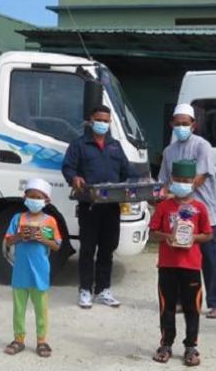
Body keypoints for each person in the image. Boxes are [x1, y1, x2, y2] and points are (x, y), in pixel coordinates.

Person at [62, 104, 137, 309]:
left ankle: (103, 289)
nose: (103, 124)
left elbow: (127, 172)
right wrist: (74, 177)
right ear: (90, 121)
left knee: (108, 248)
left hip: (112, 206)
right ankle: (85, 289)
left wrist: (136, 184)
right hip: (90, 205)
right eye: (99, 120)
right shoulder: (79, 145)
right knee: (87, 248)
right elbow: (68, 167)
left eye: (106, 120)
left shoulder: (115, 146)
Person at [157, 103, 216, 319]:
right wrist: (160, 195)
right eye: (177, 124)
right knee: (180, 257)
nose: (181, 127)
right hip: (177, 215)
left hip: (202, 212)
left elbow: (201, 177)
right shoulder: (169, 151)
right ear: (171, 125)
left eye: (185, 124)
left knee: (209, 258)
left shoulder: (202, 146)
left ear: (193, 125)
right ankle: (180, 300)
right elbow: (164, 181)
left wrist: (180, 191)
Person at [149, 159, 212, 366]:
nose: (182, 183)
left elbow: (207, 234)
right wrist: (167, 236)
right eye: (178, 180)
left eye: (187, 180)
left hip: (191, 265)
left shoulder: (200, 208)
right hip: (167, 264)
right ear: (172, 180)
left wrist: (193, 238)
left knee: (192, 307)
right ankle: (166, 344)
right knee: (166, 306)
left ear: (193, 181)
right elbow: (153, 232)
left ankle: (191, 346)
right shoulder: (164, 206)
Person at [3, 178, 61, 358]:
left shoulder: (49, 221)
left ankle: (41, 341)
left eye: (38, 197)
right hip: (20, 272)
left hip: (40, 272)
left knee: (41, 308)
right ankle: (18, 339)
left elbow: (56, 245)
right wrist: (20, 236)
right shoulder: (18, 219)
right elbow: (8, 241)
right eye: (31, 196)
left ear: (46, 201)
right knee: (18, 308)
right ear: (25, 197)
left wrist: (41, 238)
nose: (34, 200)